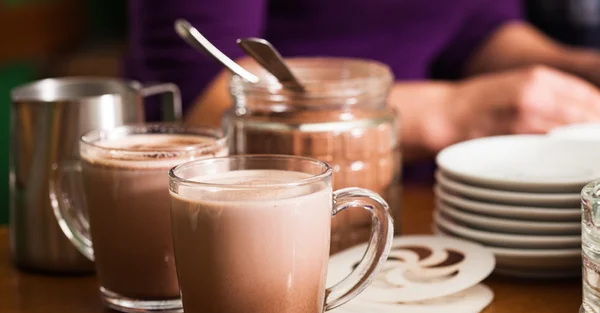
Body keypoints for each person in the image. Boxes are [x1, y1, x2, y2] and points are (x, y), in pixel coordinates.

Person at [126, 0, 600, 175]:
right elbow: (206, 105)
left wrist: (574, 67)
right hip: (271, 206)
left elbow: (474, 26)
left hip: (420, 202)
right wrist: (453, 112)